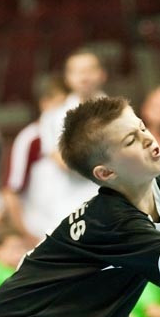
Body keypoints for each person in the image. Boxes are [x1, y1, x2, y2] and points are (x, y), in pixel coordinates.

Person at [0, 96, 160, 317]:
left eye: (142, 128)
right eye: (131, 140)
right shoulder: (110, 218)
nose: (147, 139)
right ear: (106, 172)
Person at [38, 49, 107, 233]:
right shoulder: (52, 116)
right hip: (68, 205)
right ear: (67, 78)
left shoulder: (121, 113)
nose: (84, 76)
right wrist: (104, 162)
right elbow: (63, 160)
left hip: (111, 201)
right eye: (77, 71)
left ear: (102, 74)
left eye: (90, 70)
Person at [1, 74, 68, 242]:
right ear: (45, 103)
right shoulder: (30, 138)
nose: (66, 110)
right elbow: (10, 193)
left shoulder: (78, 140)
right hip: (38, 233)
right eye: (61, 104)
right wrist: (28, 236)